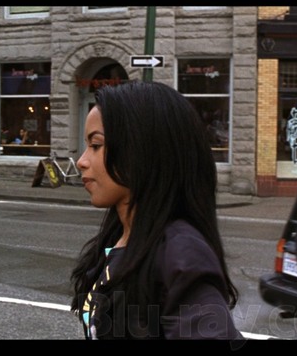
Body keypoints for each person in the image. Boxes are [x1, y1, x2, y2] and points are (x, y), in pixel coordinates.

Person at [71, 81, 241, 339]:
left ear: (142, 150)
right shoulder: (117, 236)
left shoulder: (180, 253)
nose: (82, 161)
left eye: (96, 145)